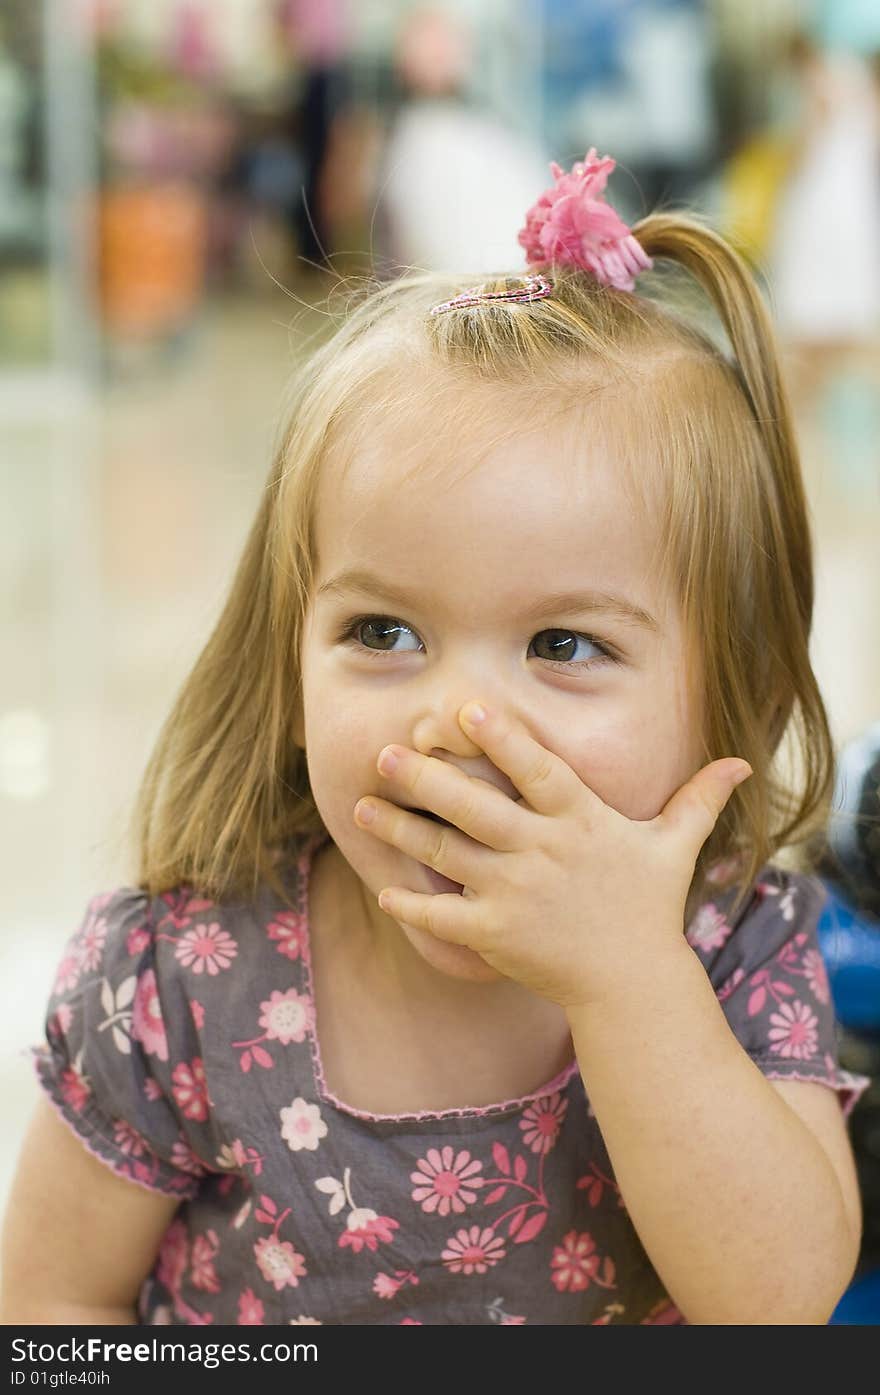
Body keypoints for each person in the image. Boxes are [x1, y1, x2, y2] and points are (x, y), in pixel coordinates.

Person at [0, 151, 869, 1326]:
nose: (458, 721)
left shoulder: (730, 950)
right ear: (286, 656)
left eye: (563, 646)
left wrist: (627, 977)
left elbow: (774, 1304)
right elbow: (51, 1308)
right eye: (384, 629)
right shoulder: (179, 976)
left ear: (736, 693)